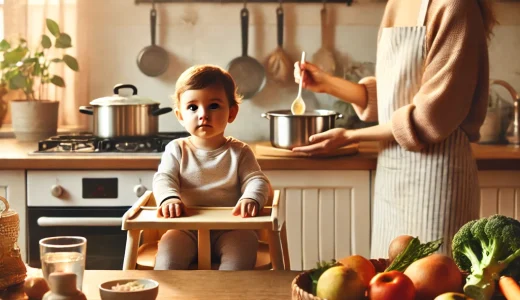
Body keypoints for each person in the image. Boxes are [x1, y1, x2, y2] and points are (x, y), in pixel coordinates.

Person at [293, 0, 497, 258]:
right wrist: (327, 84)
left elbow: (430, 117)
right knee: (388, 285)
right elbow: (395, 97)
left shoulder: (456, 7)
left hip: (438, 179)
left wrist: (350, 135)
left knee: (436, 287)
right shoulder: (396, 3)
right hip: (391, 177)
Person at [152, 65, 271, 270]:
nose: (203, 114)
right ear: (180, 115)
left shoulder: (240, 152)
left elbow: (257, 180)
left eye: (214, 106)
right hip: (186, 227)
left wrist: (251, 197)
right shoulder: (176, 149)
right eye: (192, 107)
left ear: (232, 113)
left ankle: (226, 293)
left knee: (243, 251)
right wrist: (169, 197)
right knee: (167, 257)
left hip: (232, 228)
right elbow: (164, 178)